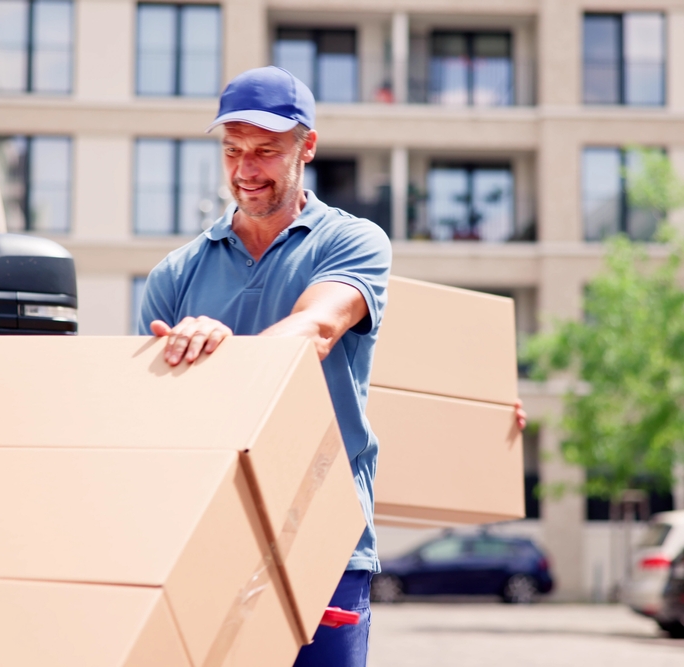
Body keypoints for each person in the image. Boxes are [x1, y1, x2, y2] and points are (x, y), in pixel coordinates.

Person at [136, 66, 526, 667]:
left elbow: (316, 330)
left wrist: (224, 347)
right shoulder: (175, 274)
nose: (246, 169)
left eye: (266, 151)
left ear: (307, 147)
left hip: (324, 533)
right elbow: (153, 416)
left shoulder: (354, 241)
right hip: (210, 540)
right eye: (233, 150)